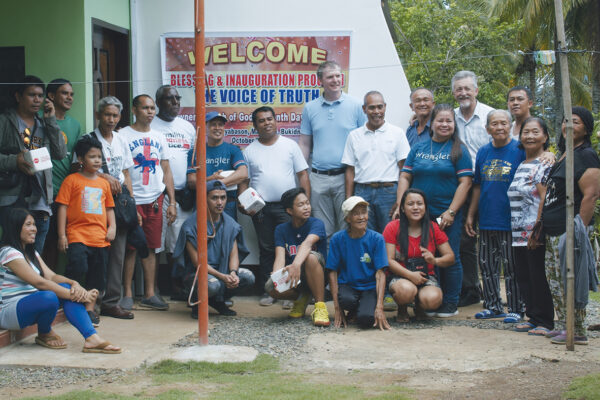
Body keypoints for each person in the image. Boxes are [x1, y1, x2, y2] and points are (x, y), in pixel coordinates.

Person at [0, 208, 120, 353]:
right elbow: (40, 283)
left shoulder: (31, 253)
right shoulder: (8, 253)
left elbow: (51, 277)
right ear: (15, 227)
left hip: (31, 304)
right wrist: (81, 296)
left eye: (34, 224)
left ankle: (91, 338)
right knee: (49, 296)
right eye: (28, 225)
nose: (34, 229)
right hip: (9, 311)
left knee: (61, 288)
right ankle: (44, 333)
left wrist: (73, 284)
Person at [397, 103, 473, 317]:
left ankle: (450, 302)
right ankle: (429, 301)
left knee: (450, 257)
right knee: (425, 258)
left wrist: (450, 212)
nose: (444, 124)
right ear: (432, 123)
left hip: (445, 215)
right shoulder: (419, 148)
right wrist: (402, 205)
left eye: (449, 120)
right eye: (440, 120)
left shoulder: (459, 150)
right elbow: (405, 176)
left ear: (454, 124)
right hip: (418, 216)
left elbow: (465, 183)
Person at [238, 106, 310, 306]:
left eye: (269, 119)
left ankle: (290, 292)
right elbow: (244, 180)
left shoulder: (290, 146)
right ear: (255, 125)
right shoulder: (250, 151)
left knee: (290, 248)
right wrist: (241, 200)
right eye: (261, 120)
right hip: (261, 208)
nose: (266, 123)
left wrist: (305, 203)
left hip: (288, 207)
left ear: (276, 121)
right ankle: (271, 290)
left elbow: (303, 175)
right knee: (267, 248)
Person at [541, 106, 600, 345]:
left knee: (571, 278)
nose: (569, 126)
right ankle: (564, 323)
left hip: (570, 230)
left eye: (575, 122)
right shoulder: (565, 152)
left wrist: (578, 230)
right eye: (566, 121)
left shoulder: (586, 155)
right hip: (553, 229)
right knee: (555, 279)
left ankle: (577, 329)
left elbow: (591, 195)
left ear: (585, 128)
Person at [73, 96, 135, 320]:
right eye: (107, 114)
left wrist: (131, 202)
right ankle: (90, 303)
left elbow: (127, 173)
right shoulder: (88, 139)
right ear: (98, 115)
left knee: (117, 254)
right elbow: (76, 167)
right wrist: (103, 176)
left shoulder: (121, 140)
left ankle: (111, 302)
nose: (111, 119)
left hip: (118, 204)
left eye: (115, 115)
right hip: (92, 205)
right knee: (94, 257)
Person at [465, 110, 525, 322]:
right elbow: (478, 186)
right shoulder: (483, 152)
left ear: (510, 125)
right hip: (487, 218)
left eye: (503, 123)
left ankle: (516, 308)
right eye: (495, 124)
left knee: (511, 267)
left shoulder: (519, 150)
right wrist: (471, 215)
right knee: (487, 265)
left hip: (511, 219)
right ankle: (493, 305)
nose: (499, 127)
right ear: (487, 128)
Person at [299, 61, 366, 240]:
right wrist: (303, 173)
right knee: (323, 231)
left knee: (348, 228)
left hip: (346, 177)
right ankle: (328, 268)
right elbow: (305, 143)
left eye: (338, 75)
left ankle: (346, 268)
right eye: (330, 77)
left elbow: (365, 140)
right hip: (318, 178)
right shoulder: (310, 108)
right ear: (320, 80)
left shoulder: (357, 105)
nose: (335, 80)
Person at [0, 75, 66, 254]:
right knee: (14, 255)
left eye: (40, 95)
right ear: (18, 96)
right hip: (12, 198)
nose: (37, 99)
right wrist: (15, 161)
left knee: (35, 258)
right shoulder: (5, 121)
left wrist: (52, 121)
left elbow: (60, 153)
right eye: (31, 95)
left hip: (40, 200)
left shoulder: (43, 123)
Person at [121, 94, 175, 311]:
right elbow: (123, 170)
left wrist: (172, 201)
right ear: (134, 110)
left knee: (152, 247)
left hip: (155, 198)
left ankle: (150, 294)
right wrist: (130, 201)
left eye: (152, 108)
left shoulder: (159, 136)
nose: (150, 112)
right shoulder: (122, 135)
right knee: (130, 248)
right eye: (145, 108)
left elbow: (166, 169)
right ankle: (127, 293)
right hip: (132, 200)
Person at [56, 135, 116, 326]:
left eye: (99, 156)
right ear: (81, 160)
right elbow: (62, 207)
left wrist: (112, 226)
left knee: (97, 275)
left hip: (100, 237)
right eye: (92, 157)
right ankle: (72, 303)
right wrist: (61, 235)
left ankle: (89, 309)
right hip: (77, 235)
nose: (97, 160)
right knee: (77, 268)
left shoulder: (104, 183)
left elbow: (109, 208)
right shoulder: (71, 180)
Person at [173, 180, 254, 318]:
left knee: (248, 277)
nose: (219, 202)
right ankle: (197, 301)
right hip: (197, 273)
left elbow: (233, 254)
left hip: (223, 271)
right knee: (213, 285)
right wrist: (222, 276)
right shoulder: (191, 225)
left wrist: (233, 273)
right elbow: (197, 263)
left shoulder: (230, 223)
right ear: (204, 199)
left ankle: (218, 301)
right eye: (214, 198)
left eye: (223, 197)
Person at [507, 117, 554, 335]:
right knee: (524, 276)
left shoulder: (544, 164)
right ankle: (533, 317)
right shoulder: (521, 164)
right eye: (526, 132)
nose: (530, 136)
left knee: (538, 276)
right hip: (518, 231)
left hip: (533, 231)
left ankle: (545, 321)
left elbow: (544, 198)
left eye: (535, 132)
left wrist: (538, 229)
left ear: (545, 136)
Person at [452, 70, 494, 308]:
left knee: (491, 239)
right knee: (465, 241)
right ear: (454, 92)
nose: (463, 92)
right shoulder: (451, 117)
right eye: (459, 89)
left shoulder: (491, 115)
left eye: (468, 88)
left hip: (490, 187)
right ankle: (470, 289)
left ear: (476, 90)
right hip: (462, 188)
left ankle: (493, 293)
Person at [342, 90, 410, 233]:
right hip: (362, 191)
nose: (376, 111)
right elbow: (350, 170)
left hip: (389, 192)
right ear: (364, 109)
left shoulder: (397, 133)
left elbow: (405, 169)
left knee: (391, 234)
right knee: (364, 234)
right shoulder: (354, 136)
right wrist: (349, 198)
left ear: (385, 107)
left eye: (380, 107)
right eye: (372, 107)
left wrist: (401, 199)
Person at [383, 189, 454, 322]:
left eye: (419, 204)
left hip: (426, 276)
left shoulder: (433, 228)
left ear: (425, 207)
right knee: (405, 291)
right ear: (403, 208)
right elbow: (389, 260)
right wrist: (410, 275)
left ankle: (420, 307)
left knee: (433, 300)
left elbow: (450, 257)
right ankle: (402, 309)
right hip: (400, 276)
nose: (415, 207)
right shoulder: (392, 227)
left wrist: (434, 260)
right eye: (410, 204)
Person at [265, 187, 330, 326]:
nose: (306, 207)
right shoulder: (281, 229)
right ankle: (302, 297)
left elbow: (307, 243)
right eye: (301, 205)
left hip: (318, 274)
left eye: (307, 203)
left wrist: (296, 265)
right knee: (271, 287)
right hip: (296, 277)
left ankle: (320, 307)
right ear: (289, 211)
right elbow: (280, 256)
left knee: (311, 257)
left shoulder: (316, 223)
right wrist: (277, 276)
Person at [151, 86, 196, 278]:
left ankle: (182, 283)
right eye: (170, 99)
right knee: (160, 242)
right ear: (159, 102)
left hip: (184, 194)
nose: (176, 102)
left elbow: (194, 158)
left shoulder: (187, 127)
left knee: (182, 239)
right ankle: (166, 285)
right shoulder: (150, 126)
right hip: (158, 194)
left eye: (178, 98)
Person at [326, 196, 390, 330]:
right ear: (347, 218)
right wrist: (337, 308)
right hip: (348, 285)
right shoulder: (337, 239)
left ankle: (362, 310)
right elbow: (332, 271)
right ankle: (354, 309)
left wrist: (379, 307)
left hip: (370, 287)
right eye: (356, 214)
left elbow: (380, 273)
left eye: (364, 212)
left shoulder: (377, 239)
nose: (361, 217)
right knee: (346, 301)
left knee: (366, 321)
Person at [42, 79, 82, 269]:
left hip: (64, 194)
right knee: (42, 242)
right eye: (65, 93)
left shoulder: (75, 125)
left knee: (59, 243)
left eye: (71, 94)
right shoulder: (40, 121)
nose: (69, 98)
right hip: (43, 192)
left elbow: (75, 160)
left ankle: (56, 290)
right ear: (51, 96)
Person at [187, 111, 248, 221]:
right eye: (213, 124)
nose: (217, 128)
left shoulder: (233, 149)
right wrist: (211, 179)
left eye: (220, 125)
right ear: (205, 127)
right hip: (203, 203)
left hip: (227, 203)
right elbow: (192, 182)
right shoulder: (195, 152)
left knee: (228, 237)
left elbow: (243, 173)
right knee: (202, 237)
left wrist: (217, 184)